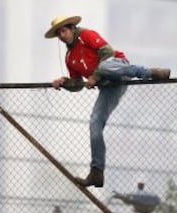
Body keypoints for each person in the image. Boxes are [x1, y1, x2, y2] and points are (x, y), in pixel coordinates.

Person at [44, 15, 170, 188]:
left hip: (118, 70)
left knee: (105, 66)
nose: (62, 35)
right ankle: (97, 172)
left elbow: (107, 52)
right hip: (109, 87)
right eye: (58, 33)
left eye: (64, 30)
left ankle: (150, 73)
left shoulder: (85, 35)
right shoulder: (69, 57)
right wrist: (64, 83)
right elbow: (77, 84)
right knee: (95, 123)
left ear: (72, 28)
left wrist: (95, 77)